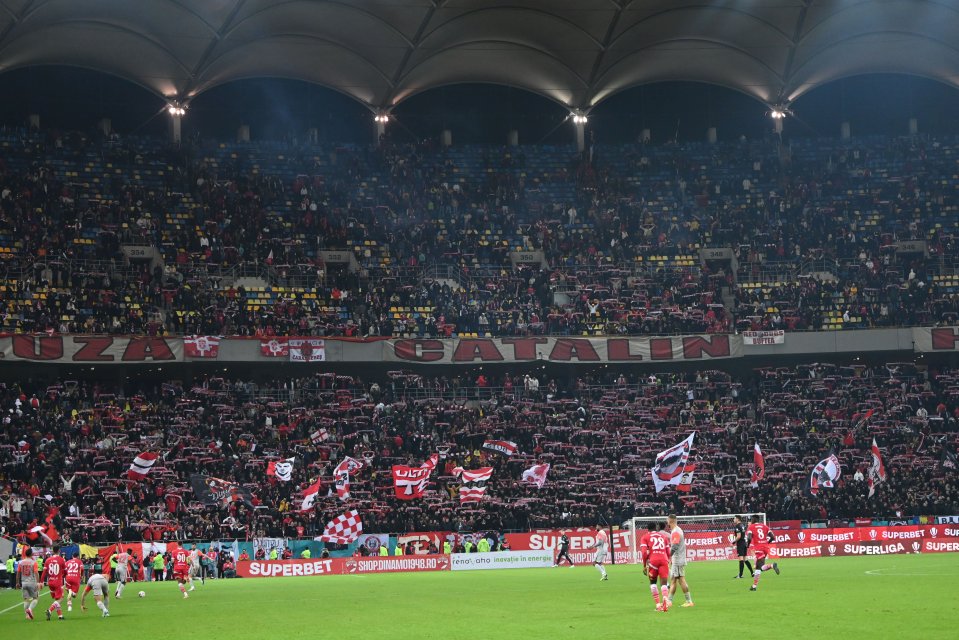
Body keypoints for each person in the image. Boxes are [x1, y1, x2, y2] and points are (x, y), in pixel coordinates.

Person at [665, 514, 693, 608]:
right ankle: (671, 601)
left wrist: (668, 556)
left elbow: (675, 546)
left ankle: (687, 601)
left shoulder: (676, 531)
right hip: (678, 559)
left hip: (677, 560)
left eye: (667, 520)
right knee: (676, 580)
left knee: (677, 580)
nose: (666, 521)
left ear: (671, 521)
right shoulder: (677, 530)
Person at [746, 515, 780, 591]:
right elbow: (773, 537)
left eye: (751, 519)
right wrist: (767, 543)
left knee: (759, 568)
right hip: (765, 548)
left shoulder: (751, 527)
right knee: (759, 568)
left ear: (753, 520)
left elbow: (749, 537)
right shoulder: (765, 526)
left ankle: (771, 565)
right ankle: (754, 586)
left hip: (759, 548)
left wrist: (747, 545)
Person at [642, 523, 671, 611]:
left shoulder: (645, 537)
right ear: (656, 528)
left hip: (653, 561)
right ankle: (665, 600)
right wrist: (668, 560)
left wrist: (644, 565)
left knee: (653, 583)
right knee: (664, 583)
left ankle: (658, 605)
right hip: (664, 560)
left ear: (648, 529)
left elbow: (643, 552)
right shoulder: (663, 536)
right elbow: (668, 552)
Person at [41, 545, 66, 621]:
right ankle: (50, 610)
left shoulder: (48, 560)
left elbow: (44, 572)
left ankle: (60, 616)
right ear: (59, 550)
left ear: (52, 551)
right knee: (61, 598)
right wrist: (63, 576)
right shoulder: (61, 559)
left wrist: (41, 582)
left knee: (57, 599)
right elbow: (65, 571)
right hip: (57, 582)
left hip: (50, 582)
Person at [16, 547, 39, 620]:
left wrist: (17, 582)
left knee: (26, 599)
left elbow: (18, 573)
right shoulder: (33, 562)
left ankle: (27, 615)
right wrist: (38, 582)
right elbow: (36, 573)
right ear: (31, 554)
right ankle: (30, 609)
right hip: (32, 582)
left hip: (24, 582)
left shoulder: (21, 562)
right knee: (35, 598)